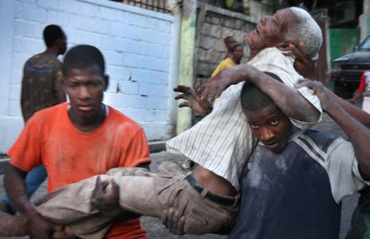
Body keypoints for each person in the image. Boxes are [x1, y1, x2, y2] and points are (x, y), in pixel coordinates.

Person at [0, 7, 325, 238]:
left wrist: (245, 71)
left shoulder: (274, 68)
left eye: (276, 21)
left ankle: (23, 225)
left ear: (287, 46)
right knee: (112, 182)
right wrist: (207, 110)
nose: (265, 18)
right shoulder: (263, 71)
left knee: (100, 188)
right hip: (189, 184)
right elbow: (240, 133)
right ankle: (52, 225)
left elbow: (309, 110)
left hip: (198, 199)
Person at [3, 44, 151, 239]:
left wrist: (113, 209)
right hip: (63, 231)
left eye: (92, 84)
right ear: (63, 84)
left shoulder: (130, 132)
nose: (84, 95)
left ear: (105, 83)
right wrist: (31, 216)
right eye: (75, 85)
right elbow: (14, 172)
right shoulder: (42, 122)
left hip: (120, 233)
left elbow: (145, 197)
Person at [225, 78, 370, 238]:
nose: (266, 135)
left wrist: (332, 107)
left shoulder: (326, 152)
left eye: (274, 121)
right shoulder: (243, 148)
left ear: (289, 112)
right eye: (255, 125)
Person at [0, 24, 67, 215]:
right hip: (52, 128)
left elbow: (22, 96)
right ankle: (12, 203)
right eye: (64, 38)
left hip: (31, 124)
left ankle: (10, 203)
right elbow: (61, 100)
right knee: (50, 167)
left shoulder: (30, 63)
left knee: (33, 166)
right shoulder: (57, 67)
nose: (66, 42)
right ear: (58, 41)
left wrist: (28, 123)